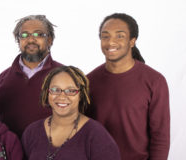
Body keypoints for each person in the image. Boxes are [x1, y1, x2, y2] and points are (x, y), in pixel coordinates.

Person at [87, 13, 170, 160]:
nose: (111, 42)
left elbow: (160, 137)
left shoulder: (154, 81)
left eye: (119, 36)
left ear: (132, 41)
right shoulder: (89, 81)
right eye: (105, 36)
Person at [22, 66, 120, 160]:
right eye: (55, 90)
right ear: (47, 93)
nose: (62, 96)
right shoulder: (31, 132)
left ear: (81, 95)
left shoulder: (97, 136)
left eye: (71, 91)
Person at [0, 15, 63, 138]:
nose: (31, 40)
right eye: (24, 35)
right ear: (18, 40)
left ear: (50, 40)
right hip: (11, 153)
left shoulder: (65, 76)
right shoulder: (3, 79)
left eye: (38, 34)